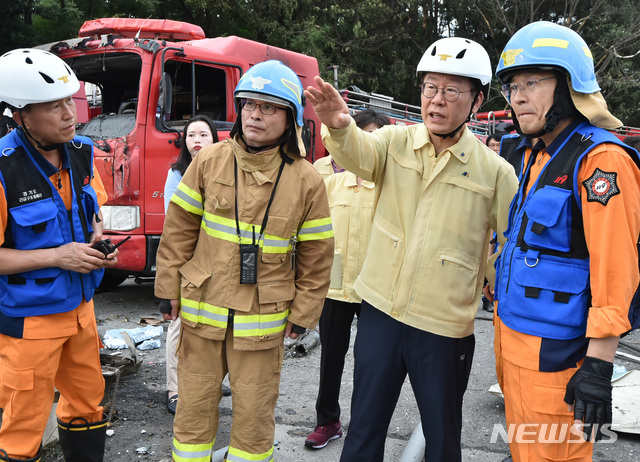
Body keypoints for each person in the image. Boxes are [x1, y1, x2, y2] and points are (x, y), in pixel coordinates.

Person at [305, 37, 519, 461]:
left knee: (441, 439)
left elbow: (510, 240)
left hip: (444, 326)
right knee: (364, 430)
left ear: (476, 102)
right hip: (381, 312)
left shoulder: (494, 171)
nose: (437, 101)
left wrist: (497, 287)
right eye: (430, 88)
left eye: (452, 91)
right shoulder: (393, 141)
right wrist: (338, 124)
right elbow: (359, 154)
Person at [154, 60, 334, 462]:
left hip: (261, 321)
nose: (255, 114)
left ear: (290, 119)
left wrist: (304, 312)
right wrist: (167, 290)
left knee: (254, 419)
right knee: (193, 412)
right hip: (203, 312)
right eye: (250, 104)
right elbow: (179, 229)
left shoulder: (306, 180)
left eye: (269, 107)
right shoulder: (209, 160)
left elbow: (316, 256)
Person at [489, 21, 640, 462]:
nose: (518, 96)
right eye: (513, 86)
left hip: (558, 359)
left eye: (532, 82)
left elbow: (616, 269)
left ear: (570, 86)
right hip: (512, 343)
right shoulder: (533, 153)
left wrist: (599, 364)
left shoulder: (600, 160)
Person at [0, 48, 119, 461]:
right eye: (54, 106)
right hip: (31, 320)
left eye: (71, 100)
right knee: (23, 420)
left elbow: (93, 214)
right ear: (20, 115)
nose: (70, 113)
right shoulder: (3, 170)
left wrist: (97, 244)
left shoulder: (82, 152)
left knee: (88, 404)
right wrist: (57, 256)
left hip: (82, 310)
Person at [305, 109, 390, 450]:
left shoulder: (390, 179)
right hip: (336, 279)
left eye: (373, 137)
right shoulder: (322, 173)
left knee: (371, 361)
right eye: (361, 134)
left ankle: (364, 426)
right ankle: (327, 420)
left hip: (375, 283)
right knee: (332, 355)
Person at [159, 115, 228, 414]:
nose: (196, 140)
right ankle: (174, 389)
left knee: (215, 326)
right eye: (190, 135)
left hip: (218, 263)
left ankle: (210, 380)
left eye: (203, 134)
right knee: (179, 323)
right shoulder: (177, 173)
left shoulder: (228, 170)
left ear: (215, 138)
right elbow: (175, 225)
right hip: (189, 262)